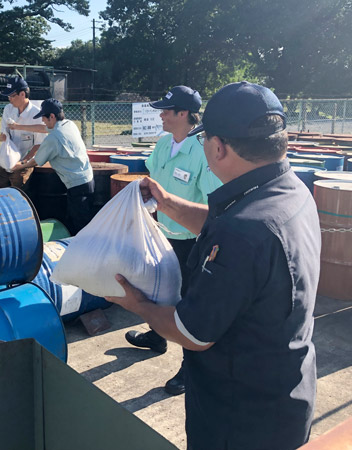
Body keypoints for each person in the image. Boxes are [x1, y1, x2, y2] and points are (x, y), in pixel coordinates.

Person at [106, 81, 320, 450]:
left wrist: (135, 303)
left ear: (218, 147)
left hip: (240, 421)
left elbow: (192, 333)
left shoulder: (244, 231)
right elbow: (230, 226)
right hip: (284, 394)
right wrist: (169, 202)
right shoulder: (289, 190)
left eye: (205, 141)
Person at [125, 85, 222, 396]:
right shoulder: (165, 143)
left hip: (190, 241)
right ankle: (157, 337)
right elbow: (154, 176)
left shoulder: (202, 150)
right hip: (162, 233)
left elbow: (213, 198)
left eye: (166, 111)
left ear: (184, 114)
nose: (161, 116)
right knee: (157, 290)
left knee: (188, 304)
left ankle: (188, 366)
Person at [11, 98, 94, 234]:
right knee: (83, 220)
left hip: (77, 186)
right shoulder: (69, 124)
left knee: (81, 226)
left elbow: (36, 160)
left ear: (52, 116)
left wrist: (19, 166)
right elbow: (43, 128)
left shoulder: (54, 138)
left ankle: (85, 252)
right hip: (88, 179)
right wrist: (18, 127)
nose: (42, 120)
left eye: (43, 117)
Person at [0, 77, 46, 191]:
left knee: (19, 191)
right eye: (8, 96)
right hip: (7, 158)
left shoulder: (37, 114)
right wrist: (4, 136)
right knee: (0, 189)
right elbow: (4, 133)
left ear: (23, 94)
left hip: (25, 159)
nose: (10, 99)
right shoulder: (8, 109)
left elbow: (39, 144)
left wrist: (23, 162)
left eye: (12, 96)